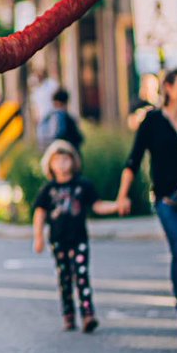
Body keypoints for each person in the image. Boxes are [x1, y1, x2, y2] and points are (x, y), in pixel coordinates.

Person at [117, 68, 177, 336]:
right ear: (168, 88)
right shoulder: (152, 122)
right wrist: (123, 195)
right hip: (167, 200)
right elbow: (133, 160)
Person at [33, 140, 117, 332]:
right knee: (64, 278)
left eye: (66, 159)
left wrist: (115, 206)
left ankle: (88, 314)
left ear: (73, 161)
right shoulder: (48, 189)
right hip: (58, 240)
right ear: (50, 164)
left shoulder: (82, 185)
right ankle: (68, 314)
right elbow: (40, 213)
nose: (62, 164)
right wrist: (38, 237)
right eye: (57, 160)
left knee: (81, 276)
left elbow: (97, 205)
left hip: (78, 239)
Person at [36, 87, 83, 152]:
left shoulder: (46, 118)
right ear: (65, 103)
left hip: (48, 155)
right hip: (65, 154)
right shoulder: (66, 117)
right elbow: (79, 139)